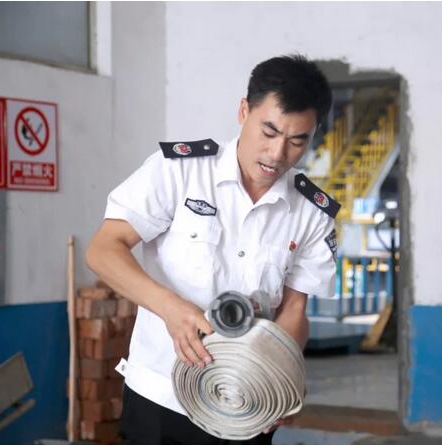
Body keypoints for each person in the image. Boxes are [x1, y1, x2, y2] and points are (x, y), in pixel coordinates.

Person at [85, 54, 340, 444]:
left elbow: (293, 310)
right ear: (244, 111)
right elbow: (103, 251)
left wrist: (283, 373)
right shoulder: (179, 171)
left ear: (313, 134)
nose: (277, 154)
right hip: (161, 395)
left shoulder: (311, 212)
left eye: (296, 141)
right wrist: (170, 309)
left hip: (246, 403)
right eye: (269, 131)